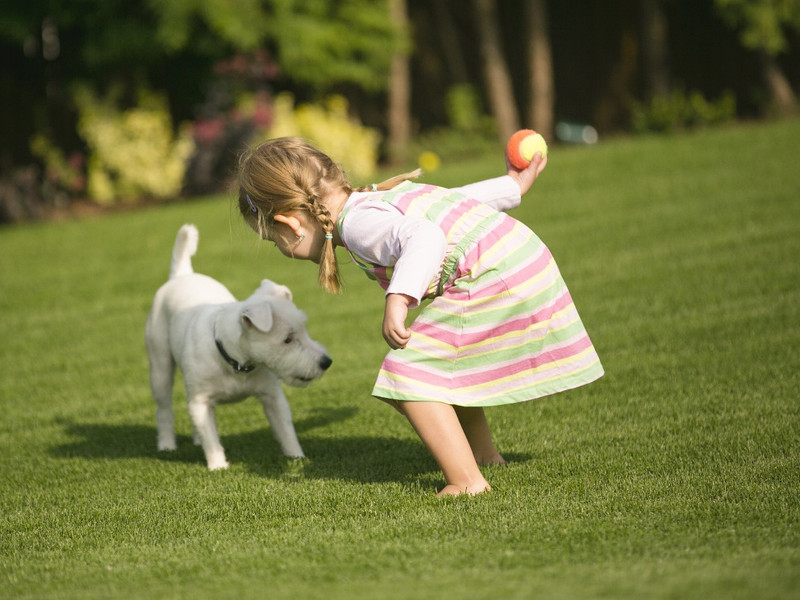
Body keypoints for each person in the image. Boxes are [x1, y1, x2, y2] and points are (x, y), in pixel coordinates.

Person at [237, 137, 603, 496]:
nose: (283, 250)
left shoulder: (358, 224)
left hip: (494, 275)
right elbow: (453, 203)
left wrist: (399, 297)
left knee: (408, 375)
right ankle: (484, 456)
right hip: (520, 260)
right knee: (441, 366)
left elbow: (426, 236)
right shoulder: (374, 199)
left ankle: (467, 482)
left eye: (275, 241)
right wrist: (511, 187)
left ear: (290, 224)